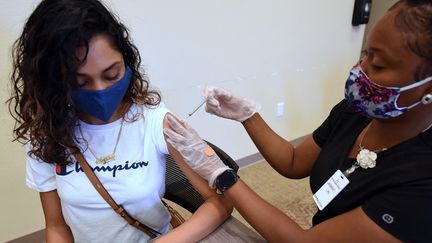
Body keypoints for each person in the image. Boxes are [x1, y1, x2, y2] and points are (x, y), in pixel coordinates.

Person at [163, 0, 432, 242]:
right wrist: (247, 116)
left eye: (380, 65)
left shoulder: (422, 182)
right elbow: (293, 161)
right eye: (365, 55)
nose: (359, 71)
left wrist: (221, 175)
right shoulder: (356, 112)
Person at [7, 0, 232, 242]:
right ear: (54, 82)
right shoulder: (47, 135)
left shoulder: (155, 121)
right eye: (80, 82)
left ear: (126, 61)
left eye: (112, 74)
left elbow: (221, 202)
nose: (101, 90)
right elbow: (56, 227)